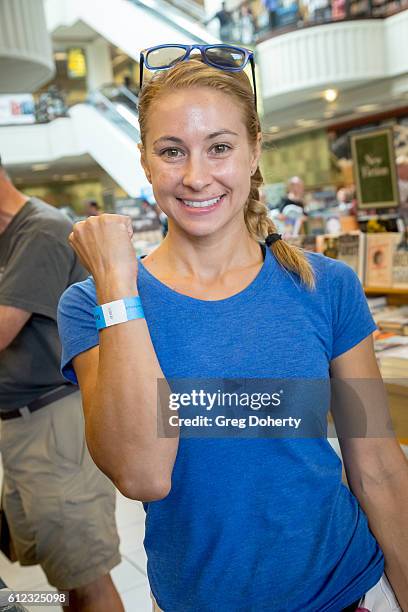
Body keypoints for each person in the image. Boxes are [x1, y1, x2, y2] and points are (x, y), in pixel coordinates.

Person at [58, 45, 408, 611]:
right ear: (145, 162)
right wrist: (118, 288)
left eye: (219, 147)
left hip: (335, 592)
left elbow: (378, 466)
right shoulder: (93, 305)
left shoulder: (327, 286)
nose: (197, 177)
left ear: (253, 152)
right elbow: (143, 475)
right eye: (172, 152)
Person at [0, 157, 123, 612]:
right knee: (66, 572)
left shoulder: (41, 231)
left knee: (87, 576)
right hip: (23, 425)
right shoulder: (9, 235)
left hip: (54, 423)